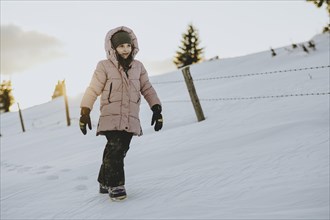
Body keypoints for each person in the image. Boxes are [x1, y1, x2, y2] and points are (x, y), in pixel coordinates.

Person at [79, 26, 163, 201]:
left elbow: (147, 88)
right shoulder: (104, 66)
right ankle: (116, 185)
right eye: (121, 46)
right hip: (111, 116)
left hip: (130, 117)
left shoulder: (138, 67)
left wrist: (156, 108)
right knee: (115, 149)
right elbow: (93, 88)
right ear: (113, 48)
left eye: (128, 45)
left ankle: (104, 180)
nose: (125, 49)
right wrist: (85, 110)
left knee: (119, 150)